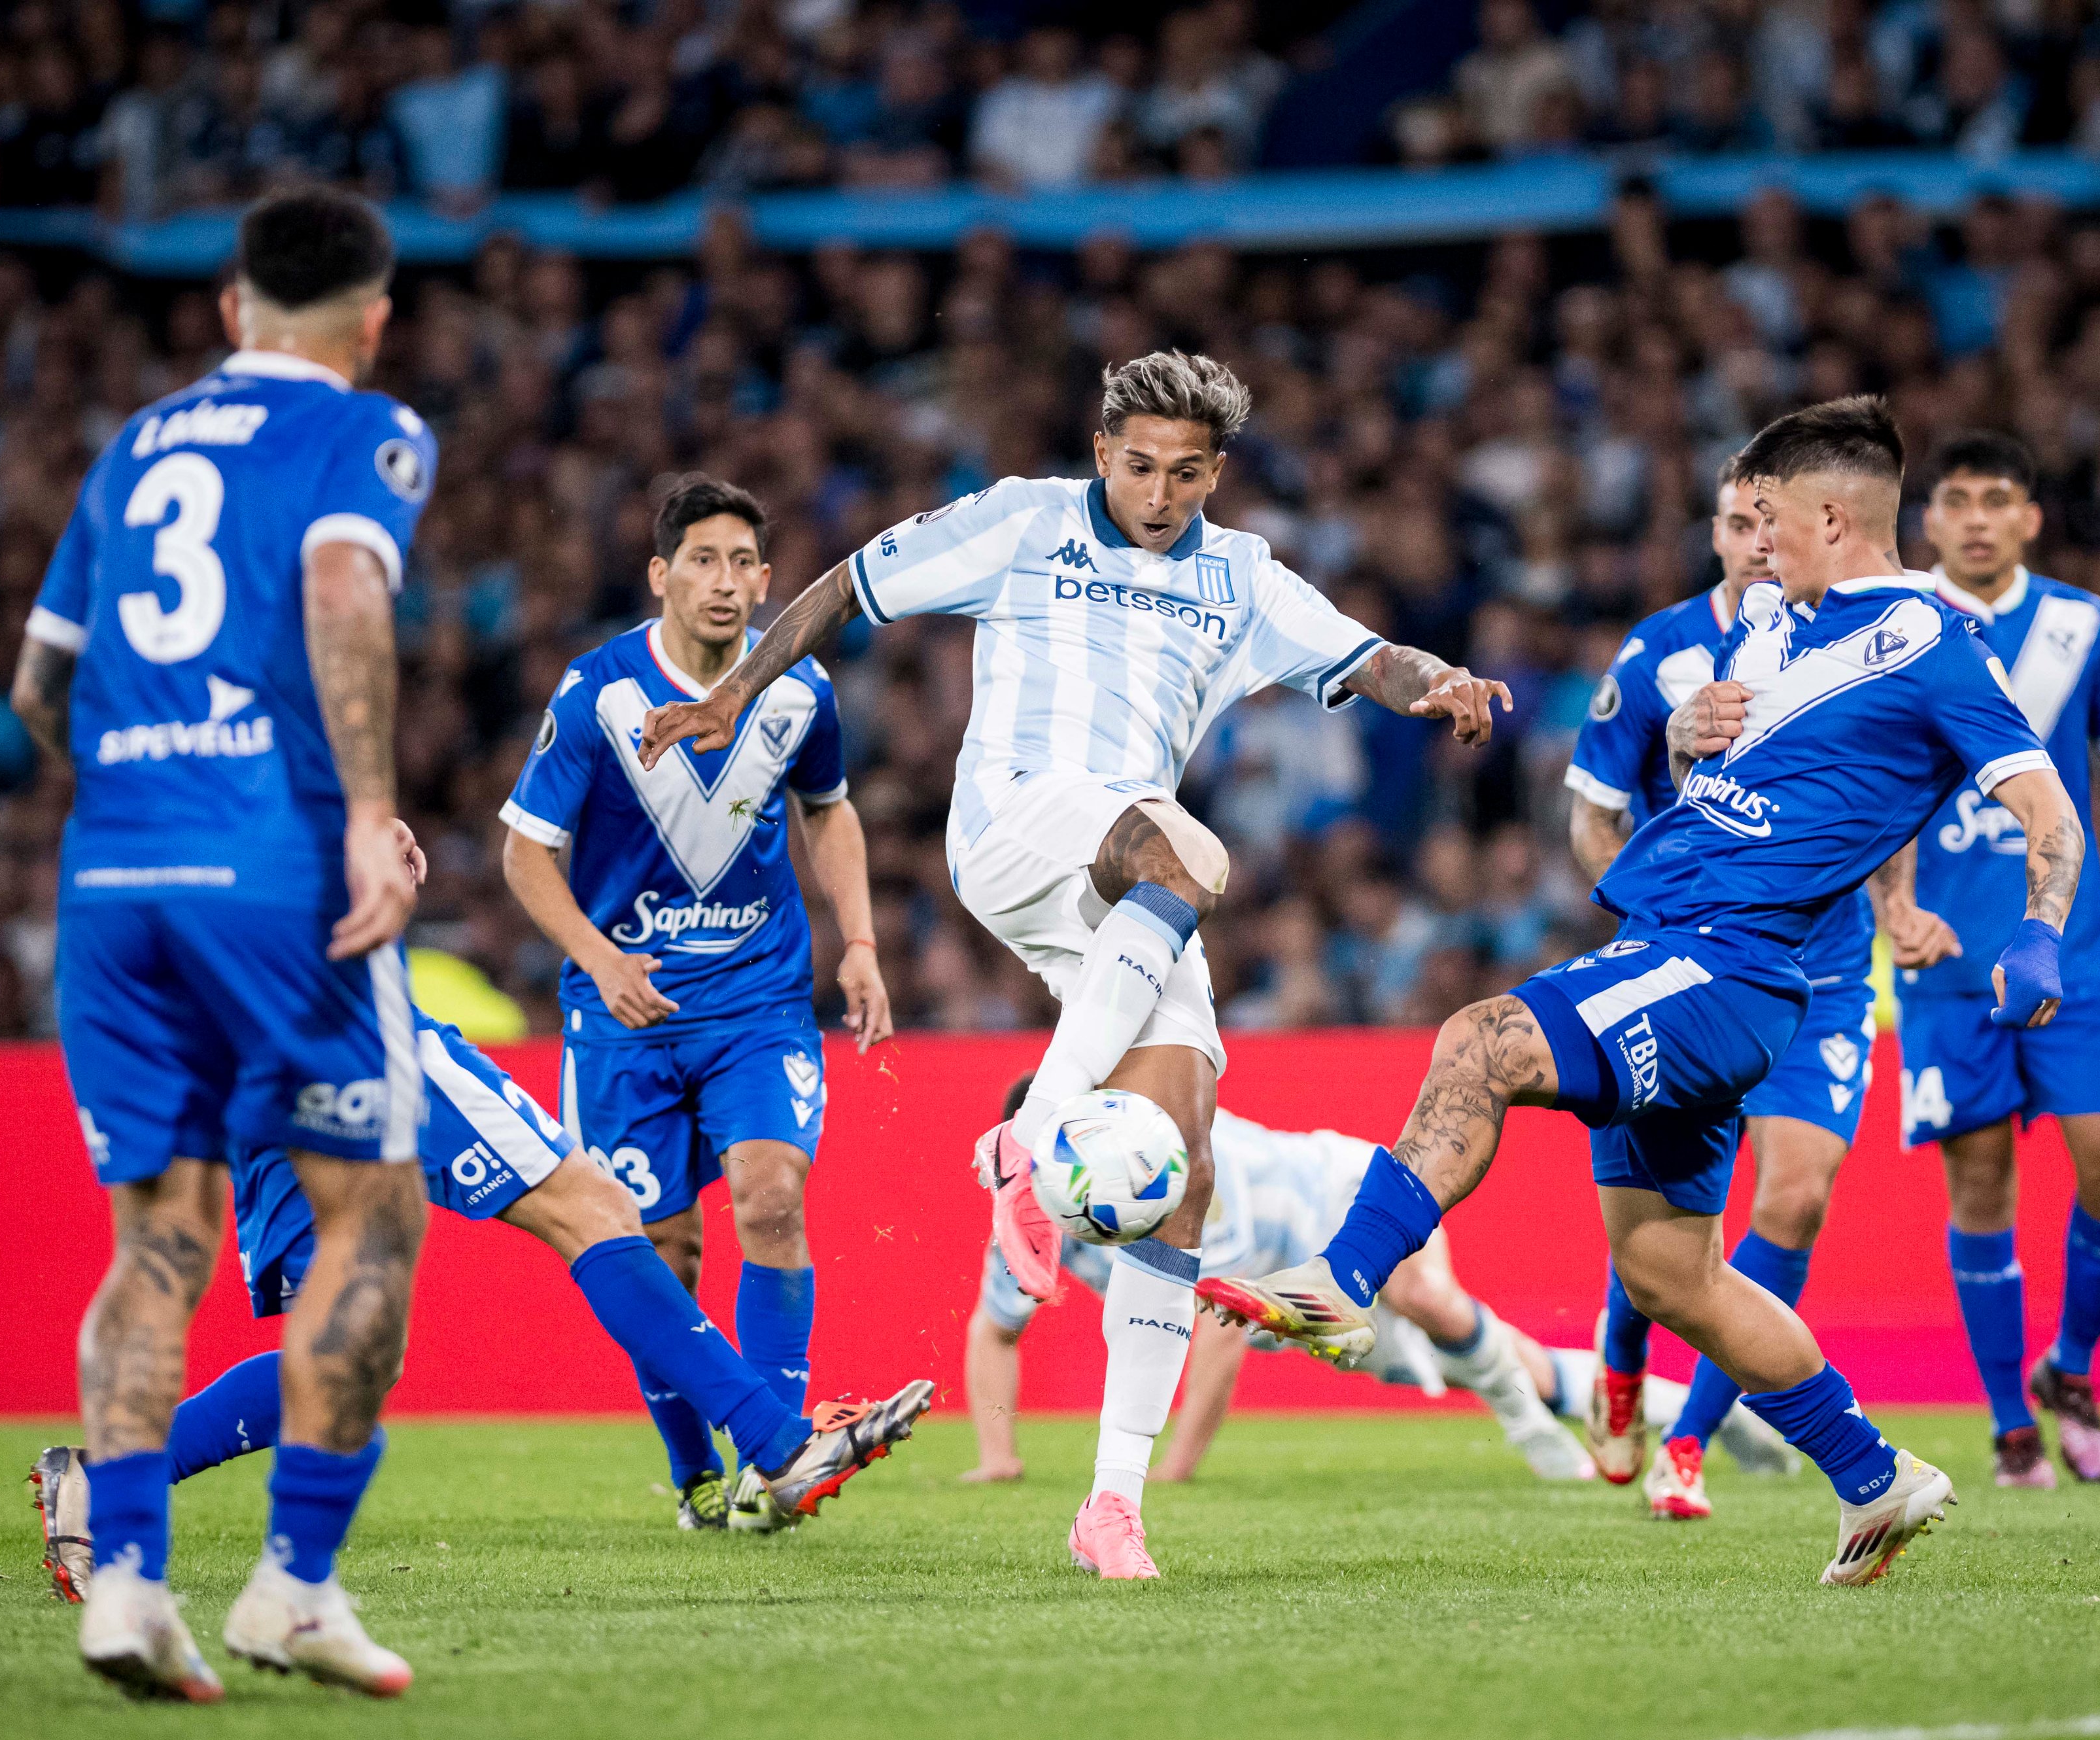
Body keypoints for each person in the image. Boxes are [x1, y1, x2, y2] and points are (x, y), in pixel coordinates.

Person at [632, 350, 1509, 1579]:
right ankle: (1030, 1139)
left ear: (1217, 473)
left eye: (1186, 473)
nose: (1159, 492)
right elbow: (849, 584)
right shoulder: (1023, 521)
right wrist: (736, 694)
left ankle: (1111, 1504)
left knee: (1187, 1167)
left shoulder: (1242, 576)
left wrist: (1442, 680)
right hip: (1018, 818)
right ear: (1102, 452)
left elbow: (1368, 657)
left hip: (1123, 892)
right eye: (1139, 465)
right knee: (1191, 853)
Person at [1201, 396, 2087, 1588]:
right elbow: (1723, 778)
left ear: (1833, 519)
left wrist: (2038, 933)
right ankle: (1875, 1476)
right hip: (1674, 940)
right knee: (1672, 1276)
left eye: (1768, 520)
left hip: (1726, 961)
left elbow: (2047, 806)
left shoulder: (1934, 644)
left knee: (1481, 1039)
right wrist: (1683, 738)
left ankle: (1342, 1282)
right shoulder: (1770, 624)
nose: (1752, 545)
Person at [28, 824, 931, 1605]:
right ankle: (778, 1442)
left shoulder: (158, 762)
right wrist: (357, 832)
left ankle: (106, 1482)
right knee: (591, 1206)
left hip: (232, 1040)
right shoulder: (270, 723)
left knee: (350, 1353)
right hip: (345, 1019)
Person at [10, 188, 441, 1699]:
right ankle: (292, 1589)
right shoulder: (362, 430)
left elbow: (39, 692)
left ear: (227, 309)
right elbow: (341, 582)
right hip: (274, 870)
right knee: (373, 1218)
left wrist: (148, 795)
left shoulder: (131, 451)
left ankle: (128, 1586)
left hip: (115, 876)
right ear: (372, 319)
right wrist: (364, 808)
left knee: (156, 1238)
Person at [499, 476, 892, 1528]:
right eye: (703, 561)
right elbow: (526, 852)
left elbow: (829, 810)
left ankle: (777, 1464)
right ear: (660, 575)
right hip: (624, 1015)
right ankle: (696, 1473)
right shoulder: (597, 693)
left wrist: (859, 942)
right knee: (661, 1250)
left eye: (743, 564)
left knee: (771, 1195)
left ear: (765, 582)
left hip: (758, 1002)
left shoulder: (799, 688)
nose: (724, 581)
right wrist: (600, 958)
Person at [963, 1080, 1802, 1489]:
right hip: (1294, 1307)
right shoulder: (1035, 1218)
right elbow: (993, 1329)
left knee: (1425, 1297)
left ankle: (1528, 1428)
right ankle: (1717, 1416)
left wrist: (1174, 1468)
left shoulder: (1171, 1169)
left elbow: (1221, 1323)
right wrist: (998, 1457)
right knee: (1522, 1366)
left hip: (1340, 1196)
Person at [1878, 430, 2100, 1489]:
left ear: (2029, 518)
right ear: (1929, 520)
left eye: (1997, 499)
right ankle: (2012, 1421)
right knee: (1981, 1182)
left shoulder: (2082, 626)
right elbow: (1874, 783)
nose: (1976, 518)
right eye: (1958, 499)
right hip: (1947, 961)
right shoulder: (1891, 625)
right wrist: (1895, 905)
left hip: (2073, 950)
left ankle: (2073, 1364)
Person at [1566, 462, 1879, 1522]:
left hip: (1824, 971)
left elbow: (1889, 790)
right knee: (1667, 1222)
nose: (1759, 542)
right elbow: (1593, 810)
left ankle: (1689, 1441)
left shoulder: (1852, 645)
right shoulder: (1657, 655)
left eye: (1773, 523)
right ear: (1714, 533)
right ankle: (1621, 1357)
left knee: (1794, 1197)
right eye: (1741, 522)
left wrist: (1908, 901)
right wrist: (1637, 916)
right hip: (1690, 964)